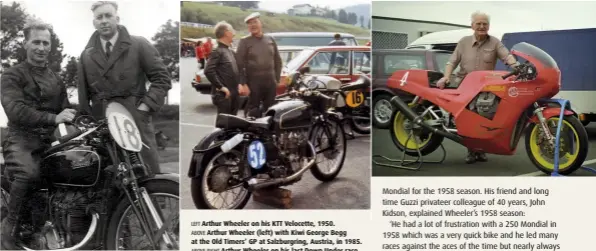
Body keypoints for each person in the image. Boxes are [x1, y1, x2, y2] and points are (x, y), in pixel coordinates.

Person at [0, 20, 75, 250]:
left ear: (50, 46)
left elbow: (65, 109)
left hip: (49, 141)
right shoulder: (11, 75)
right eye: (36, 42)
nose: (41, 47)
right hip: (21, 140)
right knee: (30, 173)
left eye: (45, 42)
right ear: (25, 43)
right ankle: (8, 234)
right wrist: (54, 119)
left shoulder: (55, 78)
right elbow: (16, 110)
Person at [78, 1, 171, 175]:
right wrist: (89, 125)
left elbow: (162, 78)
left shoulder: (138, 44)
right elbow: (84, 98)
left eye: (108, 16)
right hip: (103, 124)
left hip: (134, 119)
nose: (104, 21)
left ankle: (157, 201)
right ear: (94, 22)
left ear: (117, 18)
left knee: (148, 174)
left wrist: (144, 108)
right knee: (111, 179)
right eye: (99, 17)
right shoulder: (86, 55)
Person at [436, 11, 520, 164]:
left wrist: (516, 66)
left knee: (484, 119)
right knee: (468, 119)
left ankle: (481, 150)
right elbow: (452, 62)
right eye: (479, 23)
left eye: (485, 24)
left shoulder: (495, 42)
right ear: (472, 25)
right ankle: (471, 150)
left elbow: (506, 56)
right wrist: (446, 76)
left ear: (489, 26)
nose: (482, 26)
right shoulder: (463, 42)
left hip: (485, 87)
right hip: (464, 85)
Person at [236, 12, 282, 118]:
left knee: (271, 110)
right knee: (254, 111)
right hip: (253, 83)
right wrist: (243, 83)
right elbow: (239, 64)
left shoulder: (270, 39)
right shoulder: (244, 41)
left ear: (260, 23)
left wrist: (277, 79)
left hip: (270, 82)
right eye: (250, 24)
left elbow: (277, 61)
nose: (252, 25)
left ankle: (269, 134)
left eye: (255, 22)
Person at [204, 21, 246, 116]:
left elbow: (238, 69)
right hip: (224, 95)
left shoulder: (229, 50)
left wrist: (239, 83)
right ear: (227, 33)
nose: (234, 34)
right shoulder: (217, 51)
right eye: (232, 31)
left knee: (232, 124)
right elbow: (208, 71)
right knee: (224, 125)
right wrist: (221, 87)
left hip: (233, 93)